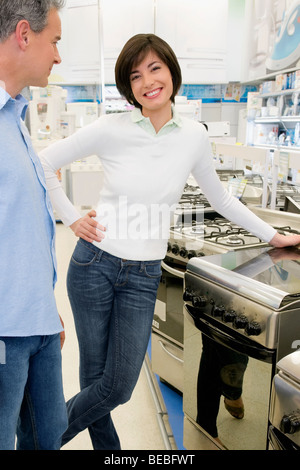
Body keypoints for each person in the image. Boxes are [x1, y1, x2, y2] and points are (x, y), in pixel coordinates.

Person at [39, 33, 300, 450]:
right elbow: (44, 162)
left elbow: (222, 197)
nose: (147, 82)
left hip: (143, 275)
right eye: (135, 75)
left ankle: (38, 439)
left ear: (172, 72)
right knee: (94, 379)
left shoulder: (193, 135)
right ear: (128, 86)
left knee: (118, 385)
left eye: (154, 68)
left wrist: (273, 235)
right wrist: (71, 217)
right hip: (93, 265)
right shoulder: (112, 127)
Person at [0, 0, 68, 450]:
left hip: (38, 323)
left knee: (50, 436)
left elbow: (23, 229)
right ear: (24, 34)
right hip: (5, 331)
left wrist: (49, 309)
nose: (58, 56)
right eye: (55, 42)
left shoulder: (16, 118)